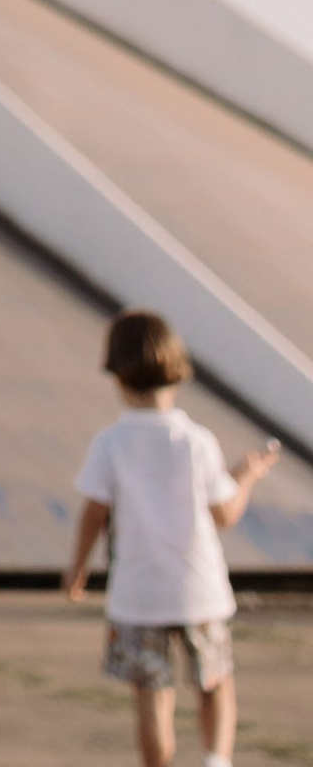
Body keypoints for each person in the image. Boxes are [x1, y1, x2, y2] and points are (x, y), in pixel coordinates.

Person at [64, 307, 280, 766]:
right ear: (179, 372)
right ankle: (216, 761)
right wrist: (246, 476)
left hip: (138, 597)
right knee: (214, 682)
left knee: (151, 694)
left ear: (117, 376)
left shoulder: (110, 443)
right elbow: (224, 515)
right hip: (197, 591)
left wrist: (77, 568)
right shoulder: (195, 441)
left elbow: (93, 513)